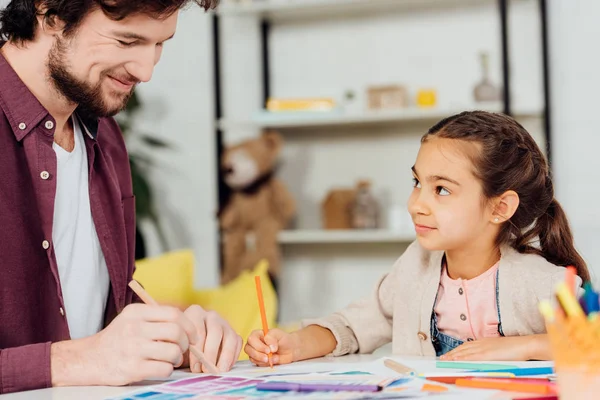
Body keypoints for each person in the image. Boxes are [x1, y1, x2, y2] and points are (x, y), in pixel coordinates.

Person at [0, 0, 242, 394]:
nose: (145, 71)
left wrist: (172, 336)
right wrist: (73, 360)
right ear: (50, 14)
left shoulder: (105, 136)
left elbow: (100, 315)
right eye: (127, 41)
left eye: (159, 44)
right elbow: (85, 356)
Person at [244, 110, 589, 365]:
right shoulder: (415, 266)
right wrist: (294, 344)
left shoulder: (539, 282)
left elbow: (593, 340)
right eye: (416, 183)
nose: (416, 204)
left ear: (500, 208)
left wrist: (526, 346)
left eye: (441, 189)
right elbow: (352, 325)